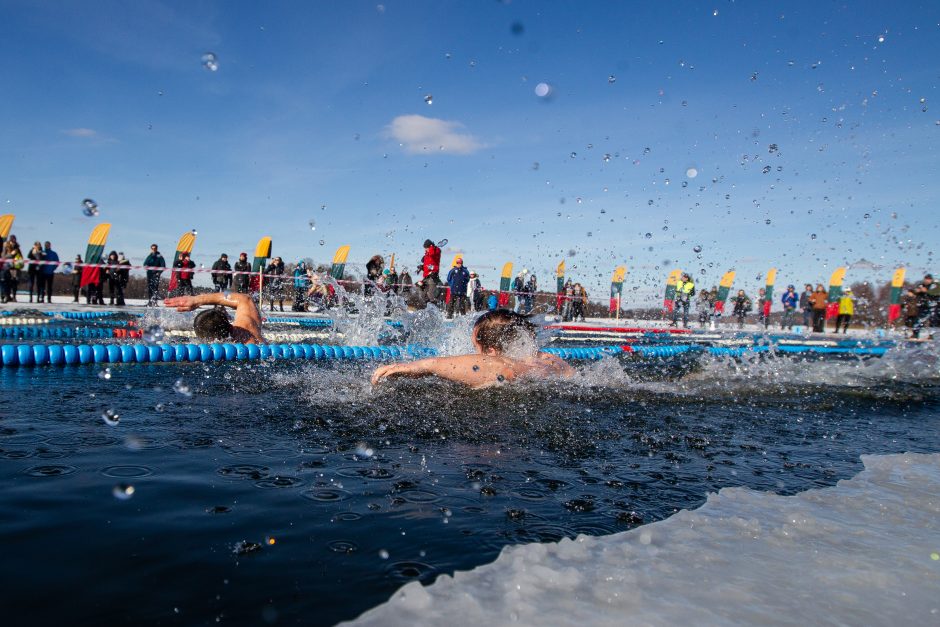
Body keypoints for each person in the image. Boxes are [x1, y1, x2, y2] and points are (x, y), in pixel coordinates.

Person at [371, 309, 574, 388]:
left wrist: (416, 366)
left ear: (491, 351)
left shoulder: (508, 366)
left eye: (476, 346)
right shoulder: (550, 360)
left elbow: (496, 368)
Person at [164, 292, 264, 344]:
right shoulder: (248, 327)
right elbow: (245, 299)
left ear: (210, 339)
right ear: (229, 324)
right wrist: (197, 300)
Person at [912, 274, 940, 339]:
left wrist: (927, 291)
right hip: (924, 305)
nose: (927, 281)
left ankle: (932, 335)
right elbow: (914, 292)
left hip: (934, 306)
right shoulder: (921, 285)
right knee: (919, 320)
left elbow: (936, 292)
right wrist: (917, 291)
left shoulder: (936, 285)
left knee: (933, 320)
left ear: (931, 280)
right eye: (926, 279)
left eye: (928, 279)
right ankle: (915, 334)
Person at [417, 239, 442, 306]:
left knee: (430, 294)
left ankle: (435, 308)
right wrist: (422, 267)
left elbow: (432, 254)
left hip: (432, 276)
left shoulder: (436, 250)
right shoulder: (427, 254)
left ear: (429, 246)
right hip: (426, 276)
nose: (425, 250)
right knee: (422, 293)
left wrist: (431, 247)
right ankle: (426, 308)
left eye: (426, 248)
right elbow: (428, 265)